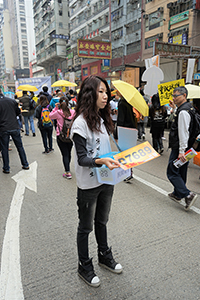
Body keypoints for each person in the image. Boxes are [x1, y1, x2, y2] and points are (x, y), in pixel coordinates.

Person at [70, 75, 122, 288]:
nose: (105, 96)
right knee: (85, 227)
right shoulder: (80, 124)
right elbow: (82, 159)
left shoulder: (102, 119)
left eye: (106, 92)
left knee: (102, 221)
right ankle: (84, 264)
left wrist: (124, 159)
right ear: (90, 94)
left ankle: (104, 255)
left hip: (106, 180)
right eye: (100, 91)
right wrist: (101, 161)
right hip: (88, 185)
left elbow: (108, 149)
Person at [167, 86, 198, 210]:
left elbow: (183, 132)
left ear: (184, 96)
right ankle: (178, 194)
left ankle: (187, 194)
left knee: (172, 171)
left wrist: (181, 151)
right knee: (181, 170)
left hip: (181, 147)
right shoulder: (189, 108)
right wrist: (174, 108)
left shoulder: (183, 112)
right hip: (187, 147)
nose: (173, 98)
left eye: (176, 96)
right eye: (173, 95)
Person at [0, 89, 29, 173]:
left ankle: (6, 168)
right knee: (20, 146)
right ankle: (25, 164)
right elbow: (18, 113)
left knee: (4, 148)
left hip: (3, 128)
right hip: (14, 126)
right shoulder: (12, 101)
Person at [49, 96, 75, 179]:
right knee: (69, 152)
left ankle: (67, 172)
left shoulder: (58, 112)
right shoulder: (72, 112)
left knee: (65, 154)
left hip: (60, 136)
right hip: (70, 136)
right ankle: (68, 167)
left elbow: (50, 116)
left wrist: (55, 108)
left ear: (60, 104)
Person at [116, 95, 137, 182]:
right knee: (130, 152)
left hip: (124, 129)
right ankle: (130, 172)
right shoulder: (131, 102)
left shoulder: (121, 103)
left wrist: (117, 133)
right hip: (133, 128)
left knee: (123, 152)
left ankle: (127, 173)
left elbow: (121, 119)